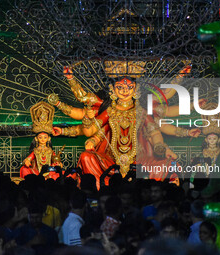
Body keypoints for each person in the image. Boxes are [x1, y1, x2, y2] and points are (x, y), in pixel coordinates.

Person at [49, 61, 201, 189]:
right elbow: (96, 131)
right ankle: (101, 186)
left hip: (140, 161)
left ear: (136, 89)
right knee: (86, 157)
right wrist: (92, 138)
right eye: (120, 88)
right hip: (110, 162)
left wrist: (160, 146)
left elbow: (154, 133)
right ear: (113, 90)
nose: (125, 91)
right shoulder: (109, 110)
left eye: (129, 87)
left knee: (168, 163)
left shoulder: (141, 111)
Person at [20, 101, 63, 179]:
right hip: (37, 173)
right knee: (24, 169)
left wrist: (58, 163)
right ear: (36, 138)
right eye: (40, 137)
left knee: (60, 172)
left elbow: (55, 162)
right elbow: (27, 159)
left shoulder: (50, 150)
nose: (43, 139)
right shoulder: (35, 151)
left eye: (45, 137)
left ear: (49, 138)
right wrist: (26, 161)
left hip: (49, 172)